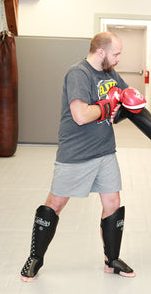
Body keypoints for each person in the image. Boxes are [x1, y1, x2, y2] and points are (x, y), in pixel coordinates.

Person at [20, 31, 144, 281]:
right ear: (101, 53)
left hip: (105, 151)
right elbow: (80, 115)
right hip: (76, 153)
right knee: (55, 204)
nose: (119, 59)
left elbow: (125, 95)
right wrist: (108, 106)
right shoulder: (79, 73)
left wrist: (127, 103)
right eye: (116, 54)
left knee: (113, 204)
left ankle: (112, 260)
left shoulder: (110, 73)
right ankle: (35, 258)